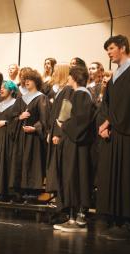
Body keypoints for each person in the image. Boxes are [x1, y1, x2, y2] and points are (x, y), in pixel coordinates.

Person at [96, 35, 130, 241]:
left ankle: (128, 221)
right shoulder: (116, 73)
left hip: (128, 130)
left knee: (127, 175)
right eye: (107, 49)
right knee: (113, 174)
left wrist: (110, 121)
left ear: (123, 48)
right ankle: (115, 217)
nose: (108, 53)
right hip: (115, 130)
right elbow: (107, 101)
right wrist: (104, 123)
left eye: (111, 48)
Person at [53, 66, 95, 232]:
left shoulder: (83, 94)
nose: (68, 79)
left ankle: (79, 218)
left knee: (78, 176)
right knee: (70, 177)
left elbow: (81, 121)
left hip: (79, 146)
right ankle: (71, 217)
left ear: (75, 77)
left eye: (70, 76)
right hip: (71, 142)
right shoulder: (75, 94)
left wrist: (64, 126)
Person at [9, 70, 49, 198]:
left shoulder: (41, 97)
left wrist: (35, 128)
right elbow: (13, 117)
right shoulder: (21, 98)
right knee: (20, 160)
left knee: (32, 161)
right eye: (25, 79)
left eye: (29, 79)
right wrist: (20, 117)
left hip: (34, 139)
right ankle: (19, 190)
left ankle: (32, 191)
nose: (26, 82)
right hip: (21, 137)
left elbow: (45, 120)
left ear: (36, 81)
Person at [46, 64, 75, 206]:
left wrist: (58, 133)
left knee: (58, 165)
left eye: (56, 71)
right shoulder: (61, 90)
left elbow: (65, 111)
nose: (53, 73)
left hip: (60, 131)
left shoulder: (68, 89)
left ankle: (60, 200)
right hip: (54, 130)